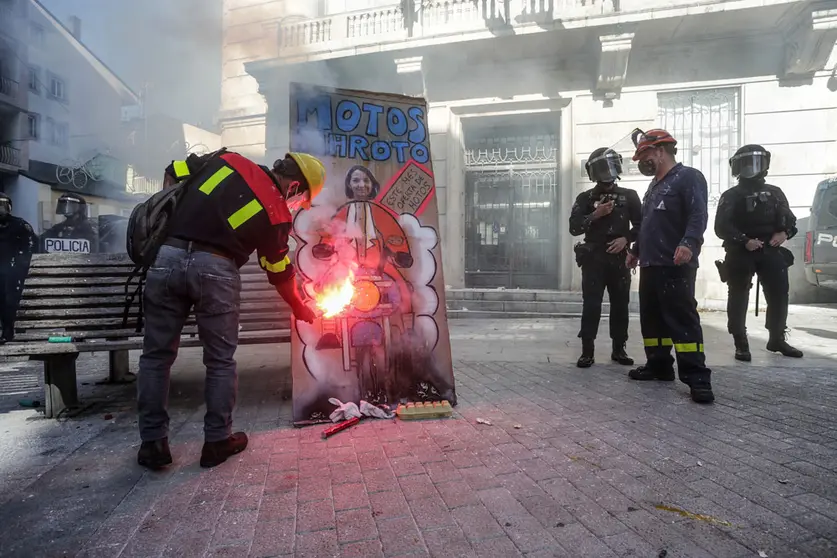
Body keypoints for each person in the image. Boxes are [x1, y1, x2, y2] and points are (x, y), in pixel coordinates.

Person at [136, 150, 325, 470]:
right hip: (216, 270)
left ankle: (153, 444)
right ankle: (216, 441)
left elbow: (175, 168)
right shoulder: (277, 211)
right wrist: (300, 306)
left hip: (166, 259)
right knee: (220, 360)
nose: (296, 205)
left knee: (156, 356)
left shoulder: (229, 159)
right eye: (301, 198)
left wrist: (173, 216)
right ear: (295, 187)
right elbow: (278, 270)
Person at [625, 128, 714, 404]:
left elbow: (698, 214)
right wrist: (636, 251)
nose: (643, 161)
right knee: (652, 321)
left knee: (682, 320)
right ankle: (659, 365)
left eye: (646, 154)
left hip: (675, 264)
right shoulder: (653, 186)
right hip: (651, 265)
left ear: (661, 151)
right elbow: (648, 224)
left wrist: (689, 243)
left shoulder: (688, 178)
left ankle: (697, 378)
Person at [715, 144, 802, 361]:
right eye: (746, 163)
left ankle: (777, 338)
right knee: (738, 295)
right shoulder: (731, 195)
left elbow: (790, 220)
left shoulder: (774, 192)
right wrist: (744, 240)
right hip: (741, 251)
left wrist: (784, 234)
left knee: (779, 293)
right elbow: (721, 227)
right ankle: (740, 342)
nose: (751, 168)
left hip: (770, 249)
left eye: (755, 163)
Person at [568, 147, 642, 368]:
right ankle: (587, 351)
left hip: (619, 258)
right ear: (593, 173)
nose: (607, 173)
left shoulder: (629, 196)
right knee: (591, 304)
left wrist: (626, 240)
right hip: (594, 259)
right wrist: (595, 214)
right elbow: (574, 228)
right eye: (602, 169)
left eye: (610, 167)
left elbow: (642, 225)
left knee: (620, 304)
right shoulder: (585, 198)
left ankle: (619, 348)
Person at [0, 193, 37, 343]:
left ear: (9, 207)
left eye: (3, 205)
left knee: (8, 299)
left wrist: (21, 262)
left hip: (12, 270)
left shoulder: (19, 225)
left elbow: (32, 244)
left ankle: (7, 332)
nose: (0, 209)